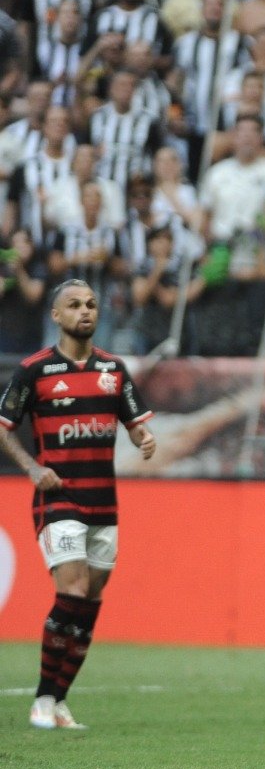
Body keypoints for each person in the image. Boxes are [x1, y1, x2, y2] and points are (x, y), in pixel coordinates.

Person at [0, 279, 157, 730]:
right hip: (58, 499)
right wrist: (31, 467)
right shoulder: (35, 370)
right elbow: (3, 425)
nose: (85, 311)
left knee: (90, 598)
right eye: (74, 305)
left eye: (91, 304)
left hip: (104, 503)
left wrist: (143, 437)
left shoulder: (114, 369)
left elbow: (135, 424)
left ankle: (60, 699)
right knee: (70, 591)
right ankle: (43, 698)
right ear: (56, 315)